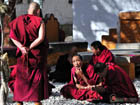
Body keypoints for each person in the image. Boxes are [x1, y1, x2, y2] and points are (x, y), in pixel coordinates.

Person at [8, 2, 51, 105]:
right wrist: (30, 47)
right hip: (36, 55)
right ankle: (36, 101)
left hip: (23, 55)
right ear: (38, 11)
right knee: (36, 79)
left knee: (21, 78)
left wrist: (22, 48)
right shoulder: (40, 21)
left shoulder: (17, 21)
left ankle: (19, 101)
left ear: (28, 10)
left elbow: (12, 37)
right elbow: (40, 38)